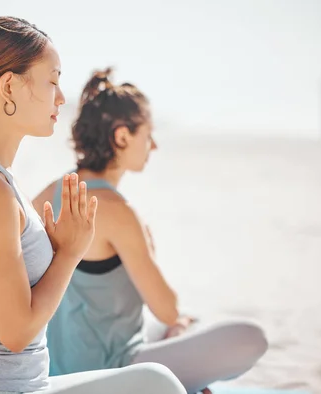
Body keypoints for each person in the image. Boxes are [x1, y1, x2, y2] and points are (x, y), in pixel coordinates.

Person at [0, 17, 186, 394]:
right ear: (9, 86)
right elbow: (16, 333)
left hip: (27, 386)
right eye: (52, 81)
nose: (61, 98)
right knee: (159, 384)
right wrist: (68, 254)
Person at [33, 68, 268, 394]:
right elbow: (166, 308)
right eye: (148, 134)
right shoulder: (116, 209)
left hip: (55, 372)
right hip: (112, 372)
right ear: (122, 136)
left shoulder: (47, 195)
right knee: (248, 337)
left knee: (178, 326)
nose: (153, 145)